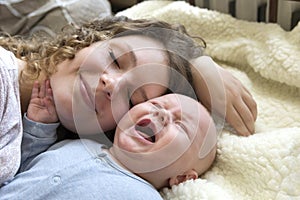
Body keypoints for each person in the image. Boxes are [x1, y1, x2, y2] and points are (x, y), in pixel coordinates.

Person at [0, 16, 257, 185]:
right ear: (88, 40)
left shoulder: (46, 153)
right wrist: (197, 60)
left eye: (133, 99)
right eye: (115, 59)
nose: (112, 84)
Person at [0, 81, 217, 199]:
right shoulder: (78, 143)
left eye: (180, 125)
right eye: (156, 105)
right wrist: (40, 127)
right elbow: (21, 166)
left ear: (181, 179)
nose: (161, 115)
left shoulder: (142, 196)